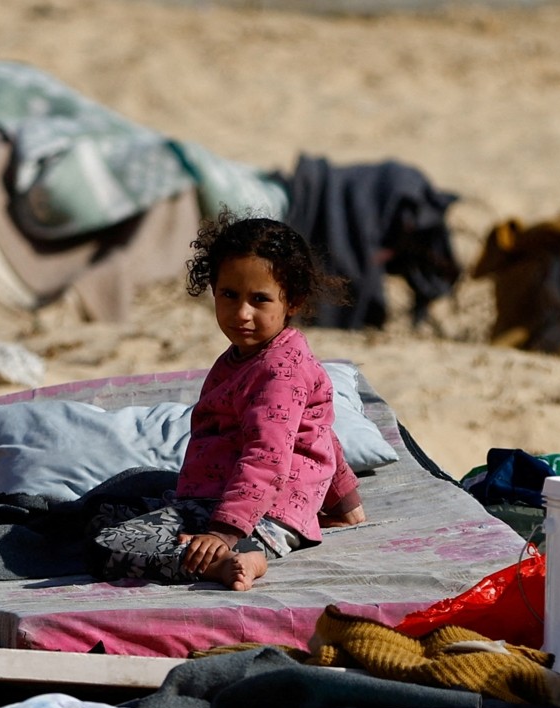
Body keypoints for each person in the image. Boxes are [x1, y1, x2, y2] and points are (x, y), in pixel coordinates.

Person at [90, 211, 366, 590]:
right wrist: (346, 505)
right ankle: (216, 550)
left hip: (256, 517)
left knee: (109, 546)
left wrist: (223, 532)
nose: (241, 313)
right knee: (103, 511)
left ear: (294, 301)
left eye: (259, 299)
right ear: (213, 289)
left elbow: (267, 457)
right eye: (229, 295)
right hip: (228, 502)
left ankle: (226, 562)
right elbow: (317, 432)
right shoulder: (249, 356)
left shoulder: (278, 371)